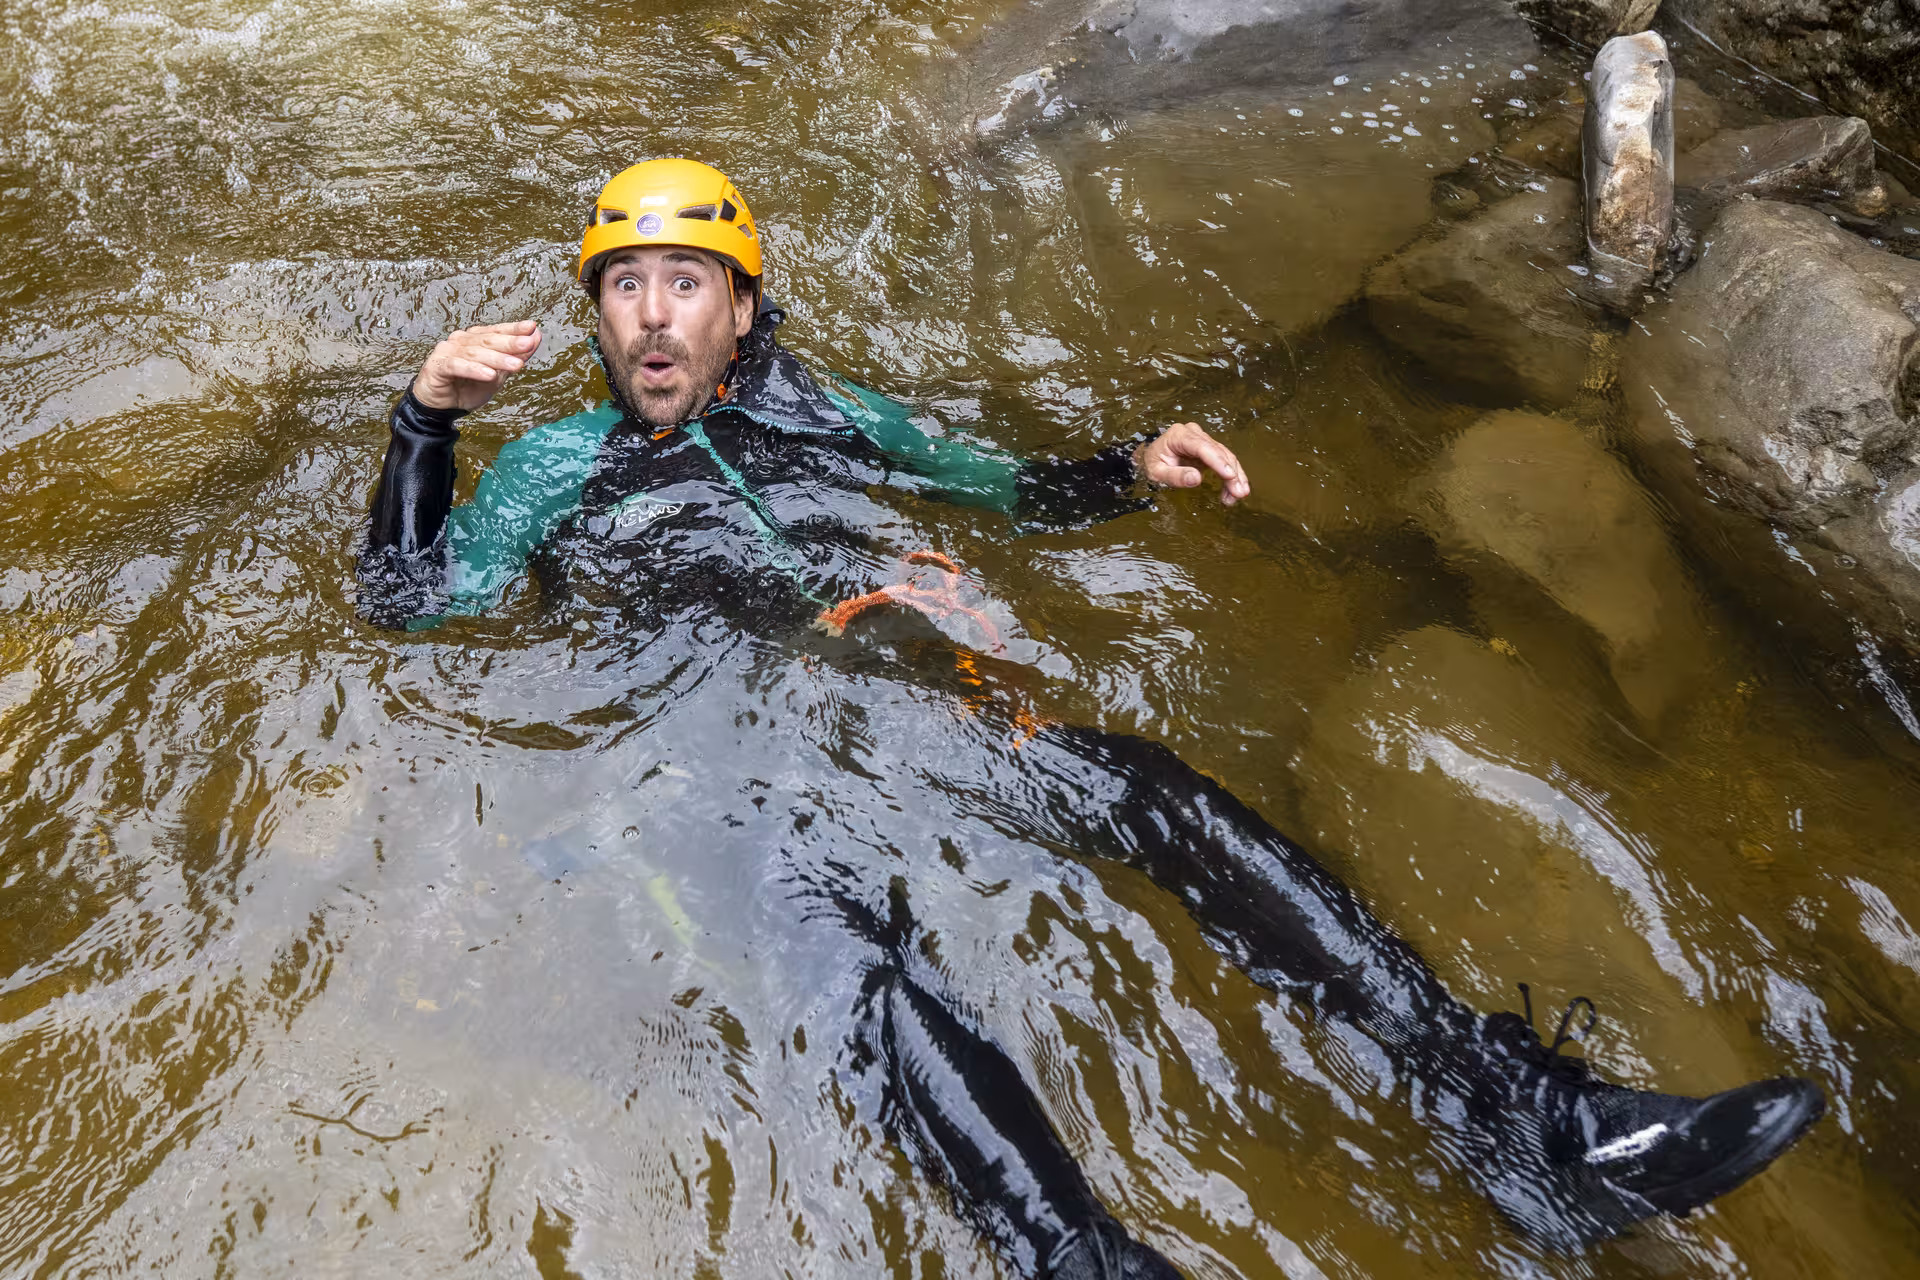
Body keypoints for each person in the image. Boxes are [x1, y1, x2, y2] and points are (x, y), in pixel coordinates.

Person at [358, 158, 1823, 1276]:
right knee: (864, 973)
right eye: (624, 285)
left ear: (742, 306)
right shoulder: (552, 467)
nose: (651, 312)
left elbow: (995, 485)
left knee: (1152, 794)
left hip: (889, 706)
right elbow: (412, 609)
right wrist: (427, 418)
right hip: (709, 752)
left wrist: (1133, 467)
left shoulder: (833, 414)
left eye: (686, 282)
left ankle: (1524, 1123)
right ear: (598, 315)